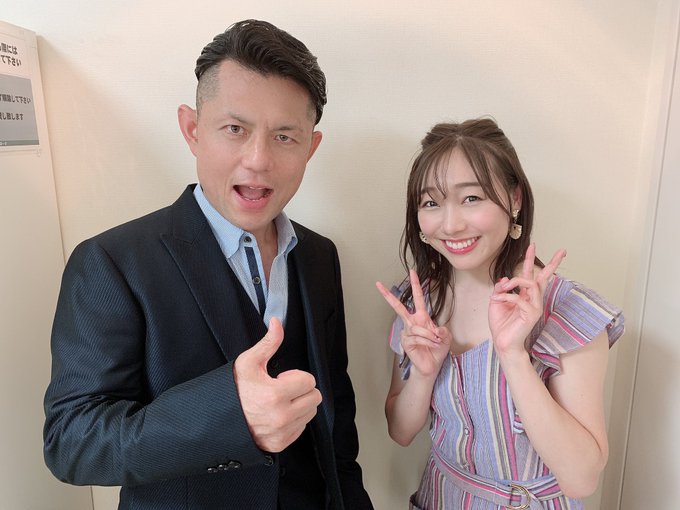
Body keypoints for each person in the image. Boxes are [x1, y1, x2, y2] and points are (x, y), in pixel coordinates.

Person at [44, 19, 373, 510]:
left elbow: (336, 426)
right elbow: (72, 442)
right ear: (193, 130)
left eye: (285, 136)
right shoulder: (112, 262)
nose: (258, 160)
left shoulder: (319, 255)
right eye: (235, 129)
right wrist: (228, 414)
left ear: (311, 146)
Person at [376, 118, 624, 509]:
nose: (451, 224)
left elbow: (581, 479)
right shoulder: (418, 301)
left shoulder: (567, 310)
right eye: (431, 203)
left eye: (471, 198)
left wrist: (513, 356)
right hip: (440, 497)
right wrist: (423, 375)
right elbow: (401, 432)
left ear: (514, 199)